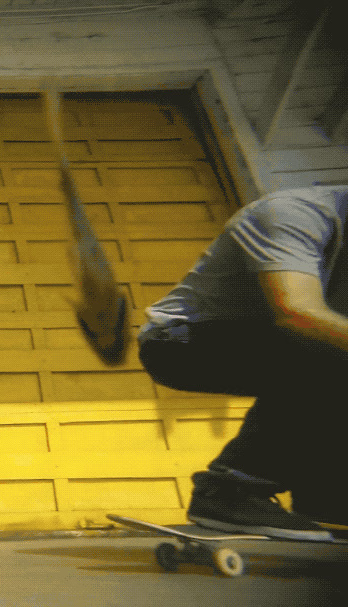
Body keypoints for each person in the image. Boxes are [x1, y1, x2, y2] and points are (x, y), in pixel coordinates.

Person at [138, 185, 348, 541]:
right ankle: (231, 489)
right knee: (328, 349)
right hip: (181, 340)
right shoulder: (293, 213)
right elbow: (297, 312)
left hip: (274, 343)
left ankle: (324, 499)